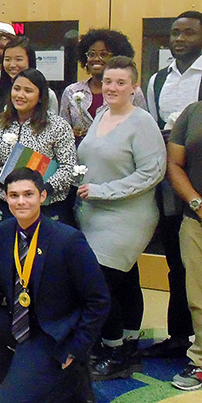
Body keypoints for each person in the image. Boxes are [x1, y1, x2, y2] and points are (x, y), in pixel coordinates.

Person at [0, 168, 110, 403]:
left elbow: (98, 300)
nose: (21, 201)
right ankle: (23, 379)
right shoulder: (0, 233)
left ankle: (66, 377)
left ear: (42, 197)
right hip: (19, 321)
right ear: (5, 198)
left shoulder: (68, 239)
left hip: (51, 332)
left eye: (28, 194)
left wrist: (75, 348)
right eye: (14, 195)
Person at [75, 57, 166, 380]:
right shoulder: (101, 115)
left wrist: (103, 190)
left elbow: (151, 173)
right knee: (125, 280)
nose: (112, 88)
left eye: (120, 83)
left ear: (134, 87)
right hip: (94, 213)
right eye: (108, 82)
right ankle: (128, 346)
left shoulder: (141, 122)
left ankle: (113, 353)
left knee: (101, 283)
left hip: (128, 216)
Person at [142, 11, 202, 360]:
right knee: (176, 261)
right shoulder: (158, 81)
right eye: (175, 33)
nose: (179, 39)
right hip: (170, 172)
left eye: (189, 33)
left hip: (198, 166)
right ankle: (180, 335)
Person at [0, 69, 76, 224]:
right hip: (10, 207)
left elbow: (68, 167)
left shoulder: (57, 126)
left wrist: (43, 189)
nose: (20, 95)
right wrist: (5, 181)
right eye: (16, 89)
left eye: (28, 91)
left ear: (40, 97)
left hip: (47, 207)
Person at [166, 97, 202, 390]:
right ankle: (200, 361)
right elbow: (174, 164)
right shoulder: (192, 113)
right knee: (198, 296)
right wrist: (197, 203)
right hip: (196, 219)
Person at [60, 29, 145, 144]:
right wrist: (71, 133)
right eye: (91, 54)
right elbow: (61, 133)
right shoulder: (71, 91)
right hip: (79, 156)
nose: (96, 59)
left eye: (103, 54)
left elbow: (142, 129)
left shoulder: (131, 91)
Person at [0, 38, 59, 128]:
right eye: (7, 59)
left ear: (30, 60)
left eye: (19, 59)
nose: (12, 65)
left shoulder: (48, 95)